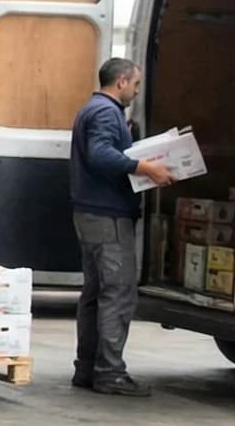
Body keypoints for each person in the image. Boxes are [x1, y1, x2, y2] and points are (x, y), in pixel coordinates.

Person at [69, 57, 173, 397]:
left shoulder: (94, 108)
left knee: (96, 293)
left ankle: (87, 369)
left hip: (92, 213)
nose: (137, 91)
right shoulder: (104, 111)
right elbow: (100, 154)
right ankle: (110, 373)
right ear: (122, 83)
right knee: (117, 292)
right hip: (107, 216)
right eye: (136, 84)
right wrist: (145, 166)